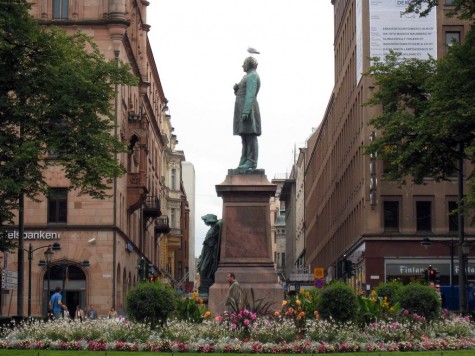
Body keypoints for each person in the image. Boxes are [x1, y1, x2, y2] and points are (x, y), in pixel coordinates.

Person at [233, 56, 261, 170]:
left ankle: (251, 161)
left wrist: (246, 111)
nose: (242, 65)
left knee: (250, 136)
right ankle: (244, 160)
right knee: (244, 137)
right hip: (244, 110)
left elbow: (250, 94)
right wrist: (236, 90)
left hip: (248, 111)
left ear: (249, 64)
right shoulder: (248, 76)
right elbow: (243, 93)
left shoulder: (252, 76)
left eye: (244, 63)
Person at [197, 214, 222, 296]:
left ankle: (206, 286)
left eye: (205, 220)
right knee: (201, 267)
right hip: (206, 250)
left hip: (210, 251)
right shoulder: (212, 228)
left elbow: (221, 221)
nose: (204, 222)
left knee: (204, 268)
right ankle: (204, 286)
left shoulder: (216, 225)